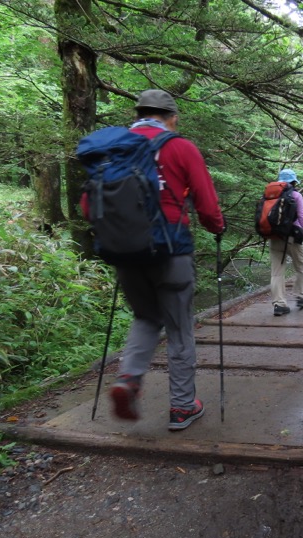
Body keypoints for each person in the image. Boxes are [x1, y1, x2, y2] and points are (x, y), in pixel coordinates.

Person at [103, 89, 226, 431]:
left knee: (145, 317)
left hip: (126, 252)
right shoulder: (179, 147)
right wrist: (217, 226)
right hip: (171, 251)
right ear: (171, 118)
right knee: (179, 329)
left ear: (139, 112)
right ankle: (183, 407)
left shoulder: (115, 147)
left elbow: (91, 205)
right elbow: (206, 202)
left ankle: (128, 379)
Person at [269, 169, 303, 316]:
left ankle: (279, 304)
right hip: (294, 237)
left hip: (275, 237)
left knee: (276, 273)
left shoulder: (270, 195)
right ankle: (301, 296)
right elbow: (302, 216)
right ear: (294, 182)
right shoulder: (296, 195)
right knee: (300, 267)